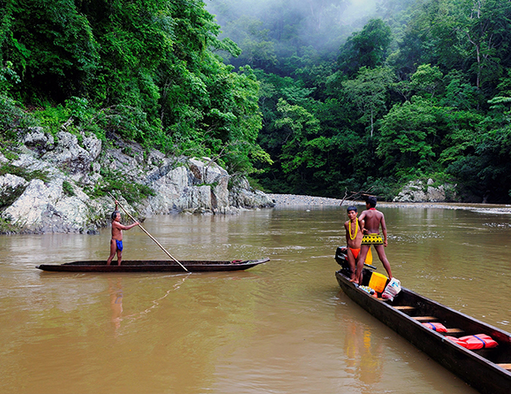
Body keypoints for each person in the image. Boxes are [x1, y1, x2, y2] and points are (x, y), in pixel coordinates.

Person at [354, 196, 392, 284]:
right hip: (377, 237)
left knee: (362, 258)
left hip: (368, 236)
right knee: (383, 258)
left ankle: (356, 278)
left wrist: (362, 228)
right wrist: (385, 239)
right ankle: (390, 276)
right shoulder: (380, 214)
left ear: (368, 204)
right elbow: (384, 228)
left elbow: (359, 219)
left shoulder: (366, 212)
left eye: (366, 204)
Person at [344, 206, 363, 282]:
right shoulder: (346, 224)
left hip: (360, 248)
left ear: (356, 213)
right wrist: (347, 246)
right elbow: (347, 235)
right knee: (352, 269)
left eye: (352, 213)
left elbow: (366, 233)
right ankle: (352, 287)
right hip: (350, 249)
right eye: (349, 213)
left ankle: (360, 286)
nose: (350, 215)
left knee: (359, 270)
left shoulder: (361, 222)